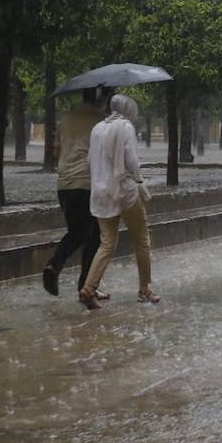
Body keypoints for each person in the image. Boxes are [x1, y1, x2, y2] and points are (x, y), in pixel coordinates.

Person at [79, 93, 159, 309]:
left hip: (101, 193)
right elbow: (131, 161)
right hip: (125, 193)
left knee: (106, 243)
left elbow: (89, 160)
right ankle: (144, 290)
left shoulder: (97, 128)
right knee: (142, 241)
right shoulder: (125, 127)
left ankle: (89, 287)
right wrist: (140, 180)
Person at [41, 88, 105, 297]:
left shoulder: (65, 118)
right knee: (95, 236)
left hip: (64, 184)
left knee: (77, 232)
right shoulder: (102, 120)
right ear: (100, 98)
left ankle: (55, 264)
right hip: (87, 184)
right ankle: (86, 286)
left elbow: (55, 151)